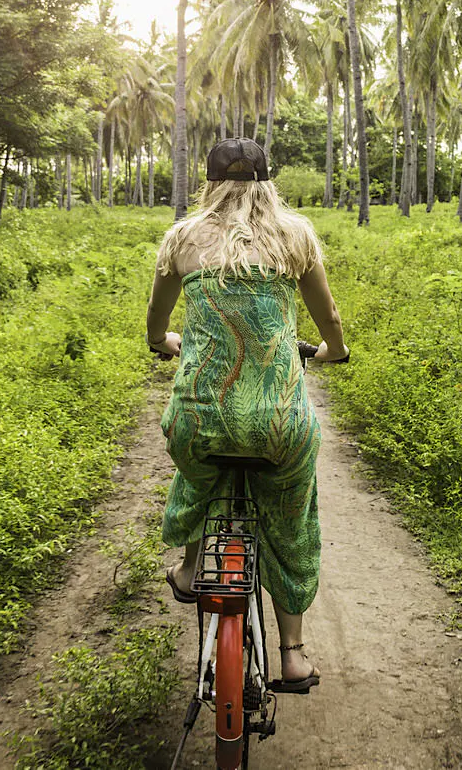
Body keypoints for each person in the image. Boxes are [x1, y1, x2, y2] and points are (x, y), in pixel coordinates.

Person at [145, 137, 348, 692]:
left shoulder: (181, 239)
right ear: (266, 181)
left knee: (198, 473)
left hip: (198, 419)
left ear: (209, 183)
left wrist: (167, 342)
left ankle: (189, 571)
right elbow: (327, 315)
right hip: (278, 422)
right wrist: (334, 351)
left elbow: (156, 325)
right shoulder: (294, 235)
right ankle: (293, 656)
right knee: (290, 518)